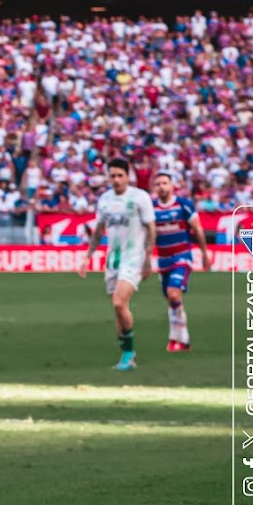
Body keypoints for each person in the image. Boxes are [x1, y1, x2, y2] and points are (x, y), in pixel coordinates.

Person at [78, 157, 156, 370]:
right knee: (118, 311)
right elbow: (99, 230)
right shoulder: (104, 200)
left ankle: (130, 352)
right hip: (113, 260)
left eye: (120, 175)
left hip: (134, 258)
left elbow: (151, 228)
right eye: (112, 176)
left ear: (127, 176)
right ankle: (126, 355)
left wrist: (148, 257)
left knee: (118, 302)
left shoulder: (140, 197)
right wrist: (88, 256)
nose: (116, 180)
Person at [149, 171, 212, 351]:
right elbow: (149, 235)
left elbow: (198, 229)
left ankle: (181, 336)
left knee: (173, 294)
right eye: (158, 184)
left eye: (164, 183)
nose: (161, 186)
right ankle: (178, 339)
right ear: (154, 188)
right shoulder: (151, 208)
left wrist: (205, 254)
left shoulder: (183, 205)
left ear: (172, 186)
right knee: (172, 300)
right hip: (163, 260)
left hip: (182, 257)